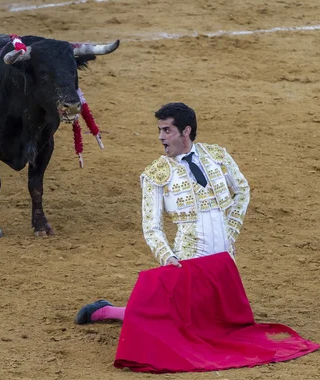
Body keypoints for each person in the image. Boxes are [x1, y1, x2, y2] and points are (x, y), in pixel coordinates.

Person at [75, 102, 250, 324]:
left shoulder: (217, 156)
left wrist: (231, 229)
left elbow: (242, 190)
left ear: (186, 131)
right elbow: (152, 226)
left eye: (167, 130)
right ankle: (106, 311)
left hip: (225, 261)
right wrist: (167, 257)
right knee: (176, 320)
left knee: (223, 322)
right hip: (190, 257)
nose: (161, 137)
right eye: (160, 130)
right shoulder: (155, 174)